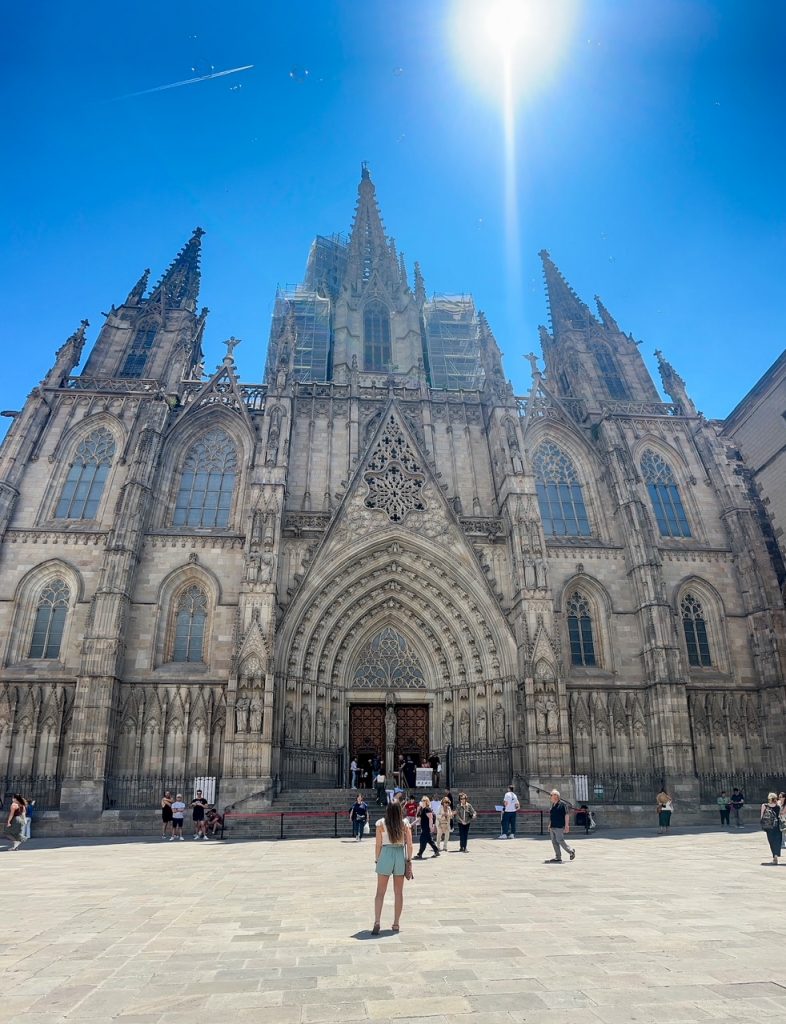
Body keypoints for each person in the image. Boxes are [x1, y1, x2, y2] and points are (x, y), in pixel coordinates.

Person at [372, 800, 413, 935]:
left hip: (385, 854)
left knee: (380, 892)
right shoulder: (405, 824)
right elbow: (410, 845)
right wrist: (409, 860)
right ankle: (396, 923)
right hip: (399, 854)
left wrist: (378, 860)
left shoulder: (381, 824)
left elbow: (378, 845)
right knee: (398, 892)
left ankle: (377, 921)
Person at [546, 788, 575, 863]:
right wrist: (549, 824)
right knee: (554, 842)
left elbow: (566, 815)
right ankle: (558, 857)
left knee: (560, 840)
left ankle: (571, 851)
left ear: (556, 796)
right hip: (553, 826)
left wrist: (567, 825)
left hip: (559, 826)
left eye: (551, 795)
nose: (550, 797)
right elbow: (552, 815)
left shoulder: (563, 805)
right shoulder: (553, 805)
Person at [760, 792, 782, 865]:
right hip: (777, 826)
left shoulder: (764, 805)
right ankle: (776, 856)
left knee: (771, 841)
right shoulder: (778, 807)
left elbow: (761, 816)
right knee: (777, 841)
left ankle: (774, 857)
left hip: (769, 827)